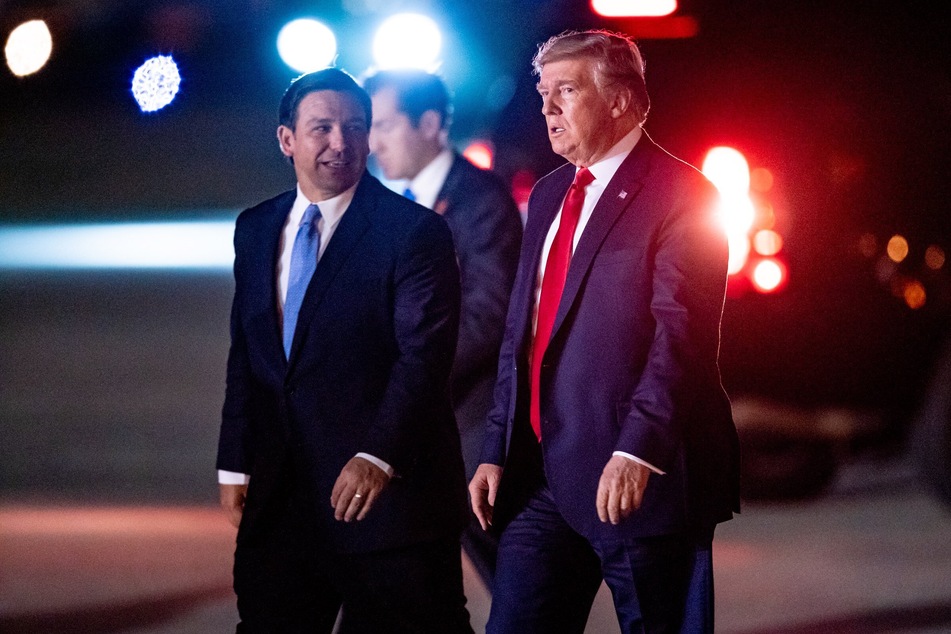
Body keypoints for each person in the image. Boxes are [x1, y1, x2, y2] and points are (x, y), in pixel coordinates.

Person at [468, 30, 741, 633]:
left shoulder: (683, 195)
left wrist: (637, 448)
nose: (547, 109)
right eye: (543, 93)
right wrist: (496, 448)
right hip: (541, 478)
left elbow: (682, 338)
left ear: (620, 102)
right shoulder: (545, 196)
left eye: (565, 91)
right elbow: (523, 332)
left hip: (637, 481)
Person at [215, 67, 473, 633]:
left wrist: (377, 456)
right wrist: (235, 459)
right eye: (323, 128)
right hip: (282, 502)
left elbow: (422, 359)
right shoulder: (255, 229)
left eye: (356, 127)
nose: (342, 142)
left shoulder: (412, 232)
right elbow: (248, 353)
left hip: (389, 511)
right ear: (287, 140)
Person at [363, 69, 523, 585]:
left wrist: (411, 380)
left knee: (511, 576)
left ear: (430, 123)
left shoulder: (480, 200)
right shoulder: (389, 207)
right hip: (414, 423)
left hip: (470, 422)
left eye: (384, 124)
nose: (372, 141)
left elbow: (489, 313)